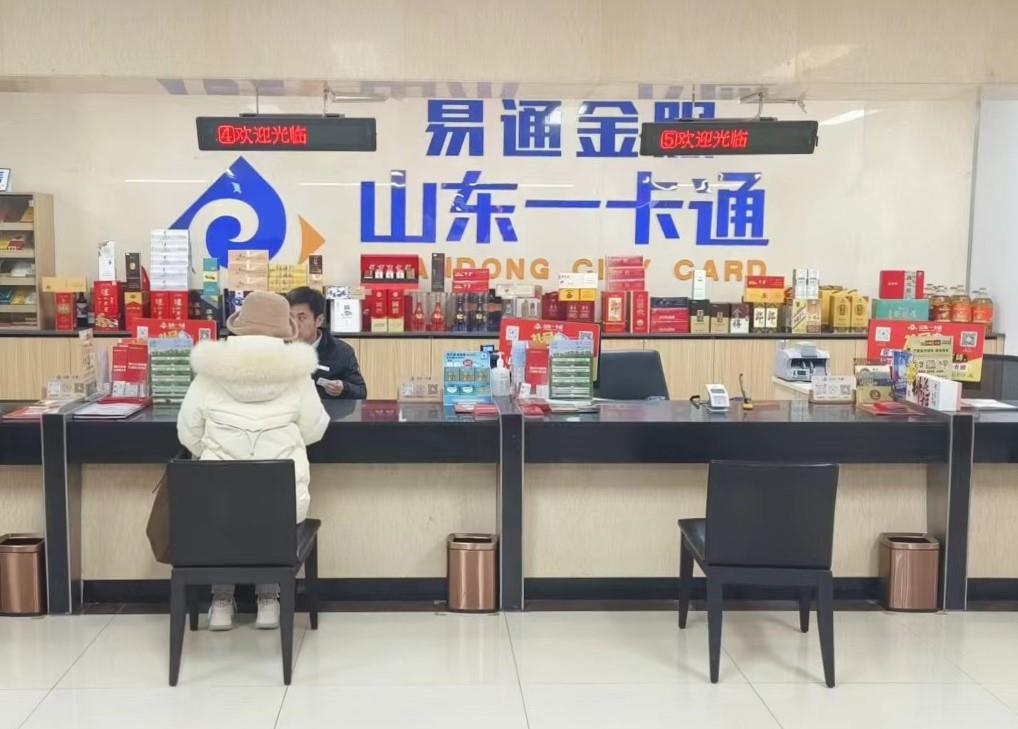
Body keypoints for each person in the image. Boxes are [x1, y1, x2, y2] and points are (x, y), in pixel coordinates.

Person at [177, 291, 329, 631]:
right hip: (283, 506)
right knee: (273, 510)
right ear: (284, 329)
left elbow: (188, 432)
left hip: (217, 504)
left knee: (222, 508)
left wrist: (214, 449)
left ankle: (220, 601)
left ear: (240, 326)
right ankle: (268, 599)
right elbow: (314, 429)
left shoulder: (210, 372)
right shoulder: (297, 373)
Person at [287, 286, 367, 399]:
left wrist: (343, 388)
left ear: (319, 320)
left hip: (325, 409)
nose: (294, 324)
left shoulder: (341, 351)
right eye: (290, 318)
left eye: (301, 318)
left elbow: (361, 392)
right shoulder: (277, 347)